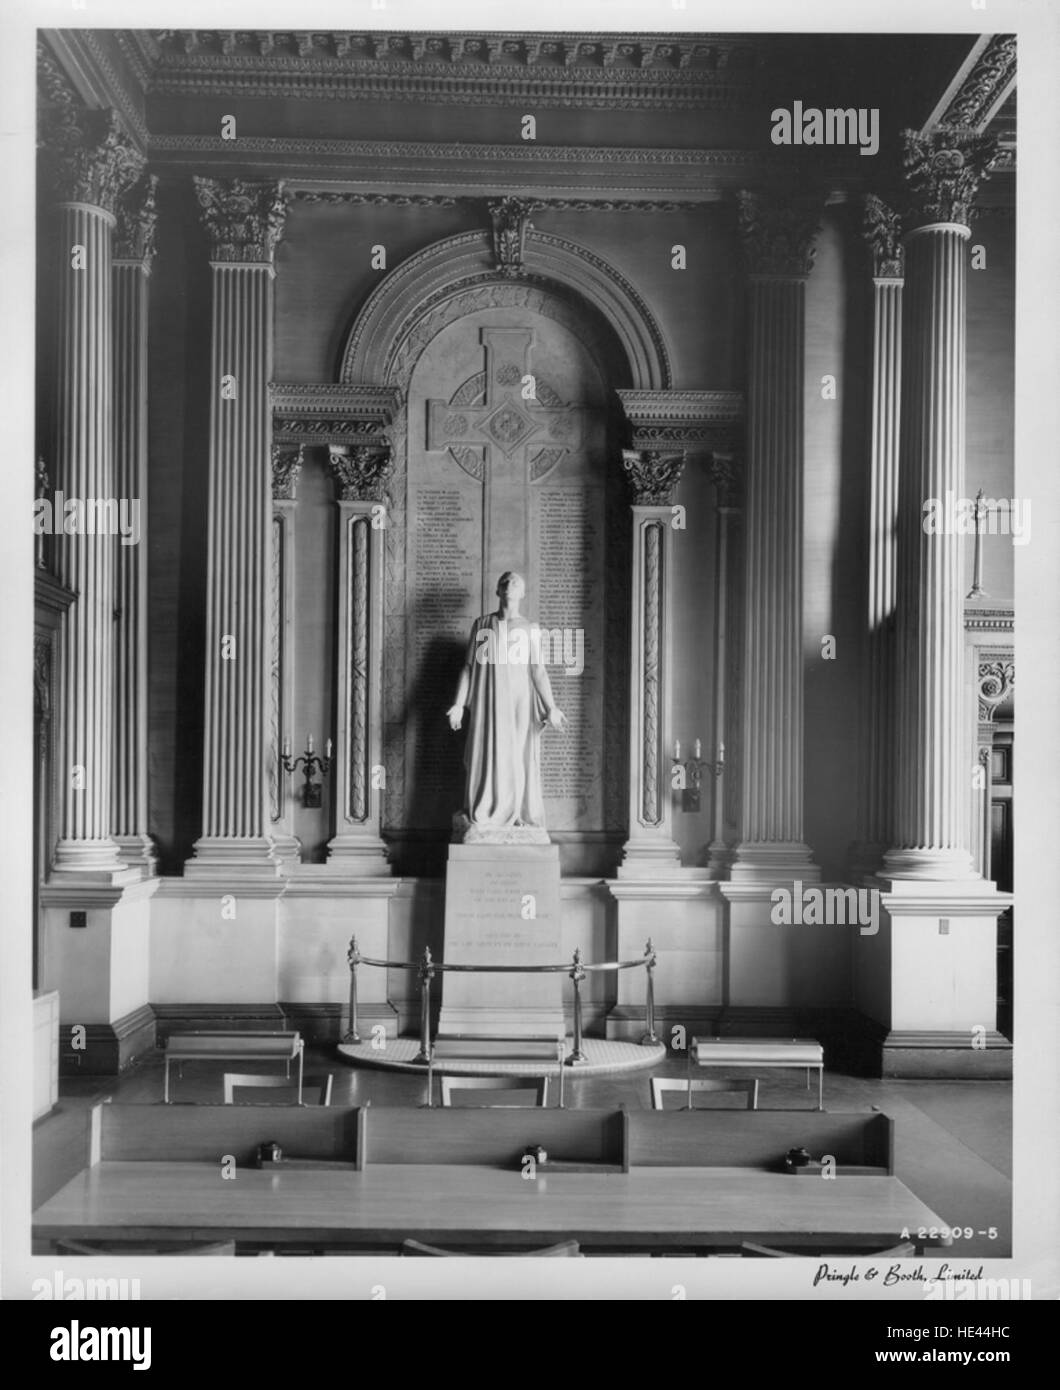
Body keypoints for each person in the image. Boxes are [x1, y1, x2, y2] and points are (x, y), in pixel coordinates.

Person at [447, 572, 567, 832]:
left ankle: (516, 812)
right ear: (497, 590)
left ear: (523, 592)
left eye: (515, 582)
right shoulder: (483, 625)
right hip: (489, 699)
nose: (509, 585)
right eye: (505, 582)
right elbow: (469, 668)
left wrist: (551, 707)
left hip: (519, 699)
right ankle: (488, 810)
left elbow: (538, 670)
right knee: (486, 752)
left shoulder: (530, 629)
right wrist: (458, 704)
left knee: (516, 754)